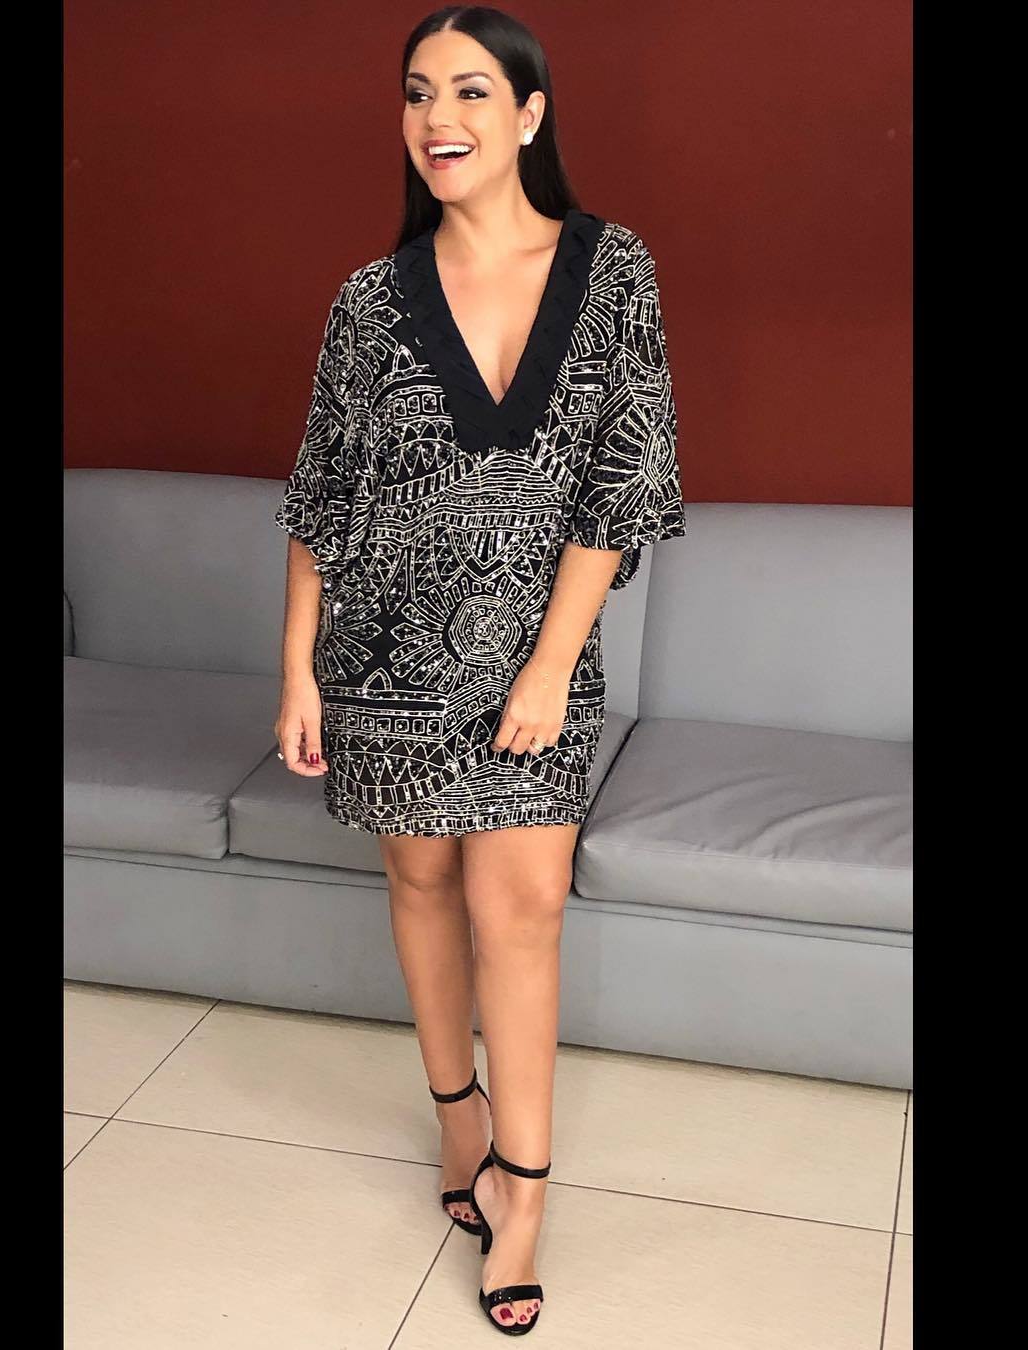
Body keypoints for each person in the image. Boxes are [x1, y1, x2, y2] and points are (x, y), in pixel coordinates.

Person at [273, 5, 685, 1335]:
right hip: (383, 657)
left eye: (466, 90)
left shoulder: (614, 270)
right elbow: (324, 495)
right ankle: (459, 1119)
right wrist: (298, 670)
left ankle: (526, 1191)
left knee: (526, 905)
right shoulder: (367, 298)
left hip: (535, 663)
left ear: (529, 112)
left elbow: (624, 477)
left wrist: (552, 664)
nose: (436, 118)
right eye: (415, 93)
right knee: (421, 881)